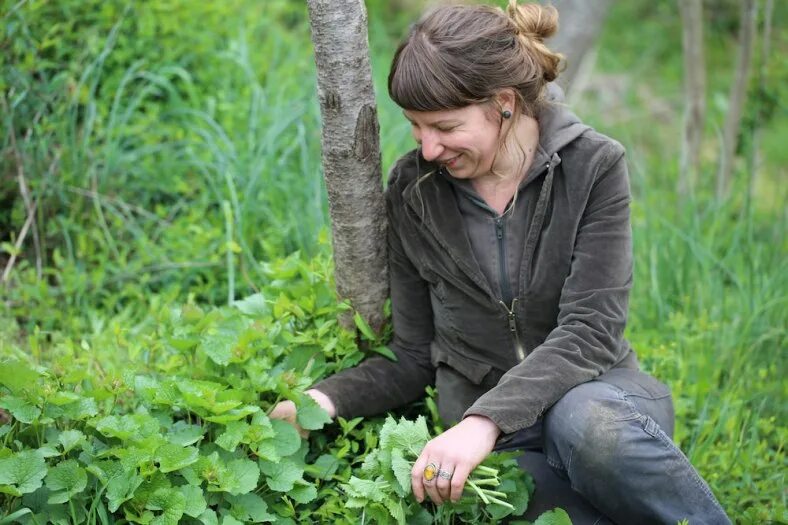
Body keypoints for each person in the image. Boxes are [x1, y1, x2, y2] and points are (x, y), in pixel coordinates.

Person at [272, 2, 731, 523]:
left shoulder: (594, 167)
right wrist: (320, 401)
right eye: (415, 127)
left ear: (504, 104)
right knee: (526, 505)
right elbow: (412, 357)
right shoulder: (412, 191)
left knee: (584, 424)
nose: (427, 149)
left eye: (445, 126)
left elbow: (590, 331)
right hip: (498, 450)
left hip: (599, 406)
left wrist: (482, 422)